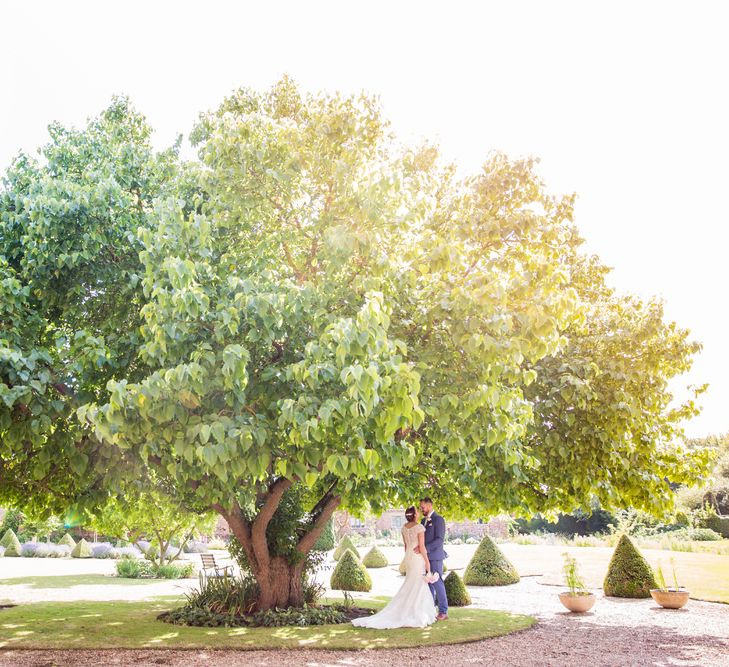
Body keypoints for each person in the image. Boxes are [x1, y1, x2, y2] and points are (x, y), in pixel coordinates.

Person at [351, 506, 437, 629]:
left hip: (409, 556)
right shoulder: (419, 527)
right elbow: (422, 547)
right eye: (417, 512)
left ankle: (410, 609)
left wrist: (407, 558)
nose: (418, 513)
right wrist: (427, 562)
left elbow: (406, 546)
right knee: (417, 583)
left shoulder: (404, 528)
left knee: (412, 582)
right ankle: (415, 612)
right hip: (417, 558)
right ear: (414, 515)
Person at [416, 497, 449, 620]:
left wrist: (425, 549)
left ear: (429, 506)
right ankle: (430, 610)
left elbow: (439, 540)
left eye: (423, 507)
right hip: (424, 558)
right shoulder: (423, 521)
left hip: (434, 557)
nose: (421, 509)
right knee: (427, 584)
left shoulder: (438, 519)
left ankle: (443, 611)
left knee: (437, 583)